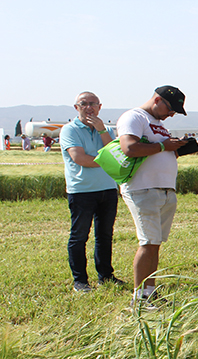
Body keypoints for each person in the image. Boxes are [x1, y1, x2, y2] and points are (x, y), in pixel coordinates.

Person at [117, 85, 188, 304]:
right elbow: (129, 148)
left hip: (164, 188)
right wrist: (163, 147)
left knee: (155, 243)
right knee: (147, 242)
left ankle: (150, 291)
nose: (171, 114)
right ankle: (139, 298)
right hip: (143, 188)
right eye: (170, 109)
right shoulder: (134, 117)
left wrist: (177, 148)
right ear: (157, 100)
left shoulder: (157, 123)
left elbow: (161, 150)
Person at [59, 91, 125, 292]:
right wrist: (107, 160)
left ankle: (106, 276)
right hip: (82, 191)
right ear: (76, 107)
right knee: (79, 236)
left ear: (100, 107)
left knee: (105, 235)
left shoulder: (105, 130)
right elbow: (80, 159)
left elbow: (115, 152)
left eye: (93, 104)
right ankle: (80, 281)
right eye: (84, 103)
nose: (89, 107)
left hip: (107, 189)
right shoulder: (69, 130)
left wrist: (102, 130)